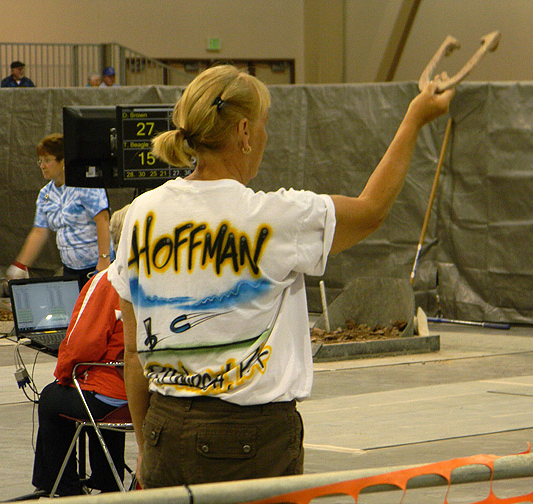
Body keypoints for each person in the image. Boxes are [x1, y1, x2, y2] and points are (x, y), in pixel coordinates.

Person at [108, 64, 453, 488]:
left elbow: (132, 353)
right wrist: (414, 119)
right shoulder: (273, 217)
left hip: (164, 426)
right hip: (250, 440)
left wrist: (147, 448)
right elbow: (372, 209)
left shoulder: (141, 214)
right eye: (265, 127)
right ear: (245, 132)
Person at [11, 206, 131, 500]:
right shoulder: (166, 277)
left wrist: (65, 374)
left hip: (114, 397)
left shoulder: (106, 281)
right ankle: (107, 479)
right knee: (98, 389)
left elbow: (80, 346)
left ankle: (61, 488)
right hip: (149, 395)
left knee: (54, 396)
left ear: (117, 239)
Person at [7, 133, 112, 289]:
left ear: (63, 161)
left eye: (47, 161)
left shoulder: (86, 186)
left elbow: (102, 220)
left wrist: (104, 259)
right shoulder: (45, 194)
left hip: (96, 267)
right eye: (40, 161)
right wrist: (20, 265)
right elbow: (39, 232)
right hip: (70, 269)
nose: (42, 166)